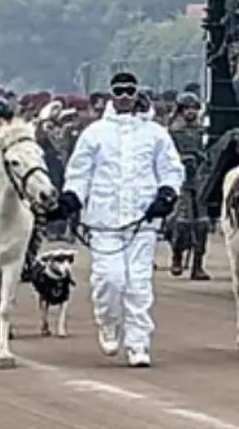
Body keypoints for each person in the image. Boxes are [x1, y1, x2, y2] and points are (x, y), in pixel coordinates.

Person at [59, 71, 185, 367]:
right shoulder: (94, 134)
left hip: (143, 221)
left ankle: (138, 343)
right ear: (112, 95)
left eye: (130, 90)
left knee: (138, 283)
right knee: (110, 280)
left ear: (137, 93)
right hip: (104, 220)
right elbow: (79, 173)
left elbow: (171, 169)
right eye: (120, 91)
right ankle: (108, 321)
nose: (125, 96)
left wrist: (167, 194)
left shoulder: (155, 133)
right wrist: (71, 198)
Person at [166, 93, 210, 281]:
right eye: (187, 108)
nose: (191, 112)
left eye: (194, 108)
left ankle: (198, 265)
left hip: (199, 179)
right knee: (182, 222)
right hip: (180, 179)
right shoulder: (173, 131)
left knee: (202, 224)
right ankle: (177, 256)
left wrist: (202, 157)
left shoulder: (202, 131)